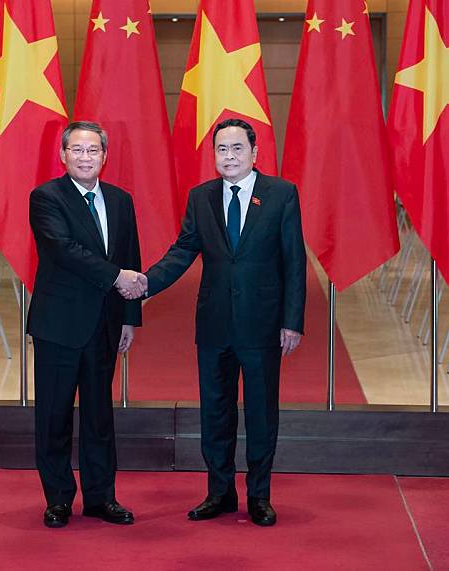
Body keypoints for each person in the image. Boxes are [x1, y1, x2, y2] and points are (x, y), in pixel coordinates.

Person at [129, 118, 306, 526]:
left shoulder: (280, 195)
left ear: (254, 153)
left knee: (261, 413)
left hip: (263, 325)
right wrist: (145, 283)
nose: (229, 156)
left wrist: (291, 322)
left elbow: (294, 262)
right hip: (213, 324)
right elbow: (183, 250)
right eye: (222, 149)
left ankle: (259, 496)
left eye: (237, 148)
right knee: (215, 412)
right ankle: (220, 493)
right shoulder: (201, 197)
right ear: (214, 156)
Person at [27, 120, 145, 528]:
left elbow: (131, 256)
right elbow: (64, 250)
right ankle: (58, 499)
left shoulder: (120, 200)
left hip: (105, 325)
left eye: (92, 150)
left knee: (99, 416)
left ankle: (101, 498)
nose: (84, 157)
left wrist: (130, 317)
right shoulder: (46, 198)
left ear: (104, 156)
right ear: (63, 155)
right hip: (58, 326)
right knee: (54, 415)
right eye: (76, 150)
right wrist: (116, 278)